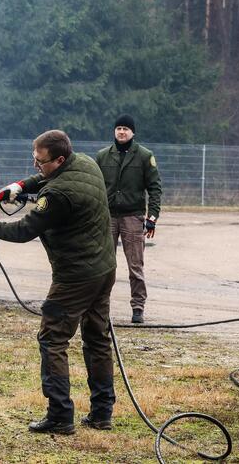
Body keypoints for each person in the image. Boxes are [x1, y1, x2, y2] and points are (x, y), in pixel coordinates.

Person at [0, 130, 117, 435]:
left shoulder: (57, 195)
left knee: (52, 339)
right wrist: (19, 186)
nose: (36, 166)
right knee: (97, 338)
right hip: (104, 268)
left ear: (59, 159)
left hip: (76, 277)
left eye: (40, 162)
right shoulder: (86, 163)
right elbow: (45, 180)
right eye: (33, 159)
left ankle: (60, 416)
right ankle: (102, 414)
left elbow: (23, 230)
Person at [95, 115, 162, 324]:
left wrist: (152, 217)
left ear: (133, 132)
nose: (122, 132)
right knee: (103, 264)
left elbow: (155, 188)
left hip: (133, 216)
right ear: (114, 131)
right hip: (108, 217)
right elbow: (94, 187)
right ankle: (98, 306)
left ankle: (138, 307)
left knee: (135, 265)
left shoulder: (144, 156)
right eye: (118, 128)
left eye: (125, 129)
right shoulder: (102, 156)